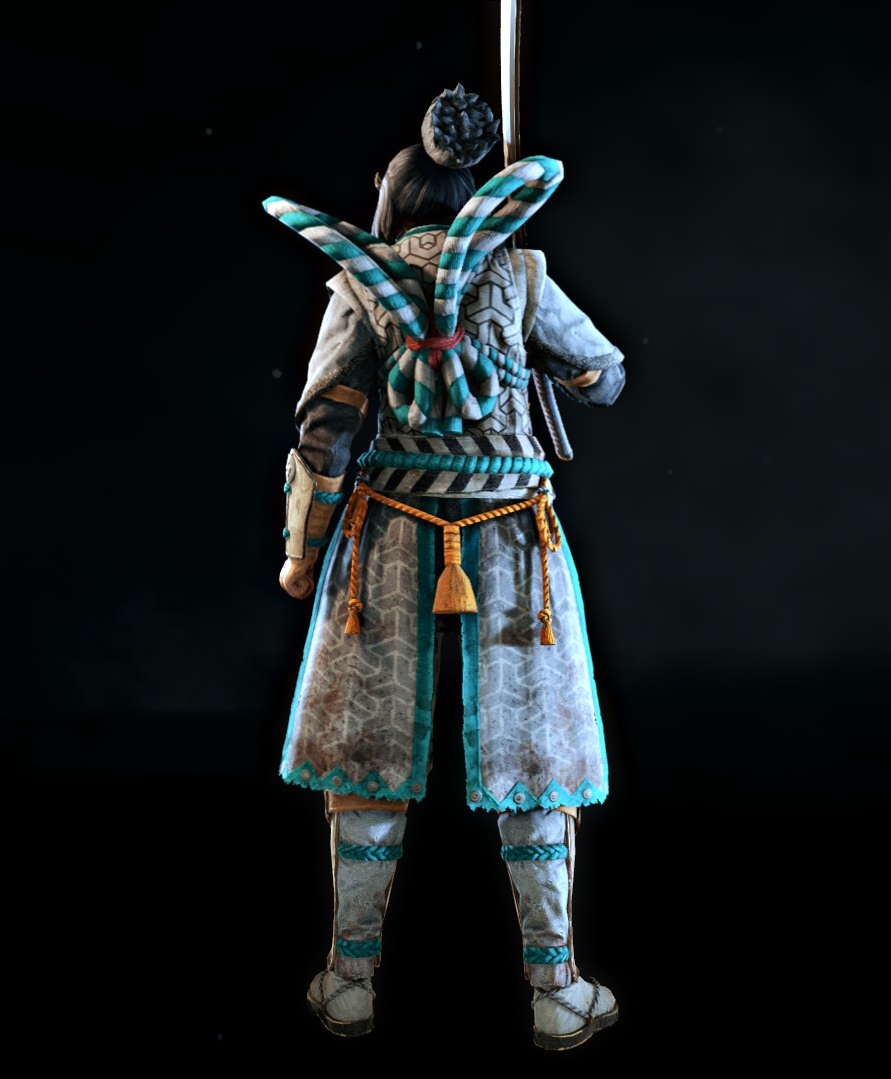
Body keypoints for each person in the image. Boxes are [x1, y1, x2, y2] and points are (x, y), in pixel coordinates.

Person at [263, 84, 626, 1051]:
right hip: (512, 541)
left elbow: (325, 428)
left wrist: (302, 552)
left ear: (392, 198)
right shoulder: (523, 273)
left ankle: (350, 981)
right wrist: (555, 363)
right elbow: (605, 376)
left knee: (367, 754)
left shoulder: (361, 282)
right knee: (533, 756)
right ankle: (554, 989)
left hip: (388, 535)